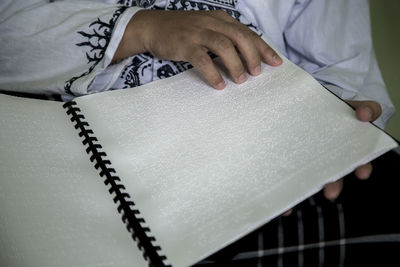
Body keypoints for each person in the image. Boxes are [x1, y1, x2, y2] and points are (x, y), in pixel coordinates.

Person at [1, 0, 399, 266]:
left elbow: (344, 68)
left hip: (267, 168)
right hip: (78, 175)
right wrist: (138, 28)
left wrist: (341, 120)